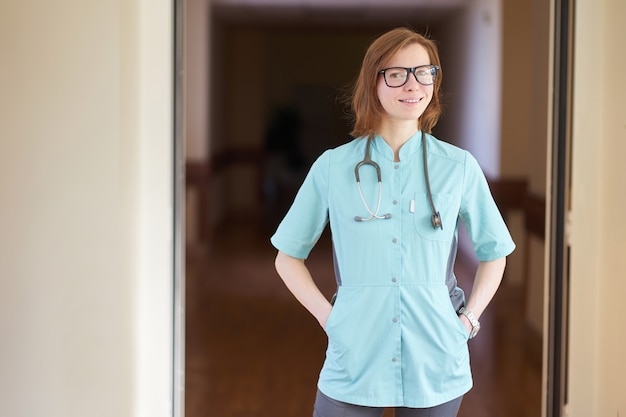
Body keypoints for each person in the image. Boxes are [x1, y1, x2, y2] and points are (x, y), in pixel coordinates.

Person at [270, 27, 515, 417]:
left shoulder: (459, 167)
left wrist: (468, 321)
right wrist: (330, 319)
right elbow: (287, 258)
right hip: (354, 354)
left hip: (435, 357)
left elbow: (495, 253)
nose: (412, 84)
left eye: (424, 72)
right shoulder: (333, 167)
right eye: (396, 73)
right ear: (374, 82)